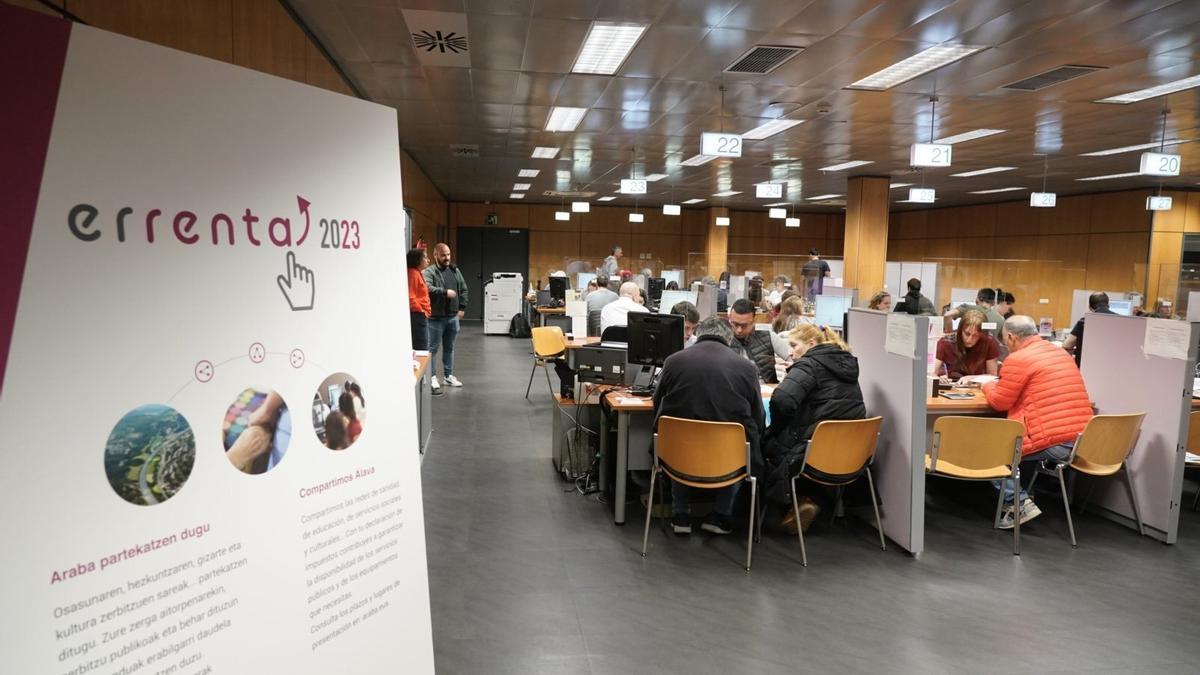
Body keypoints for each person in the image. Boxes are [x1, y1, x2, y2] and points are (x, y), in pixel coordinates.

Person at [652, 317, 765, 535]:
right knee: (743, 444)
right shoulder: (747, 368)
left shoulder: (673, 361)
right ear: (729, 337)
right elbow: (758, 416)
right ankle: (721, 515)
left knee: (681, 442)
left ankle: (681, 515)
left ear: (699, 333)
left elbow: (657, 402)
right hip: (727, 458)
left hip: (676, 454)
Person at [982, 315, 1093, 528]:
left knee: (992, 452)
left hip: (1054, 441)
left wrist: (986, 385)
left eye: (1005, 340)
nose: (1005, 344)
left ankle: (1019, 503)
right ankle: (1021, 495)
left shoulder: (1019, 358)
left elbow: (998, 401)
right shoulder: (1060, 353)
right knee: (1020, 447)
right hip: (1081, 439)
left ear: (1012, 337)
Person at [762, 324, 866, 532]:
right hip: (850, 453)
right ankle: (809, 500)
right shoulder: (847, 363)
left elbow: (782, 400)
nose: (790, 351)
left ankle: (776, 509)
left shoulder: (809, 364)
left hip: (812, 452)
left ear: (811, 344)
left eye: (793, 345)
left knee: (764, 443)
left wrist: (776, 427)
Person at [423, 242, 469, 392]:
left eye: (448, 254)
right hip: (435, 318)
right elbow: (427, 288)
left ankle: (448, 376)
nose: (447, 258)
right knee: (432, 349)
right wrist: (444, 292)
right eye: (443, 255)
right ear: (435, 255)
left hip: (452, 317)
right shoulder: (429, 272)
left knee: (449, 348)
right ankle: (431, 377)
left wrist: (462, 307)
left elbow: (463, 288)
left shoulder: (455, 271)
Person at [932, 310, 1000, 381]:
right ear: (960, 330)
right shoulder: (945, 342)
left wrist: (972, 378)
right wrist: (939, 379)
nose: (969, 339)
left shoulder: (989, 343)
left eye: (975, 336)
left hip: (977, 388)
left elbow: (992, 376)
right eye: (967, 333)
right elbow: (932, 374)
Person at [728, 298, 778, 383]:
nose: (739, 330)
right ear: (729, 318)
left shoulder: (769, 337)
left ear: (754, 320)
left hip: (764, 391)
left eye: (744, 325)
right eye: (735, 324)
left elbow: (799, 359)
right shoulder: (721, 340)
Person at [1063, 291, 1114, 367]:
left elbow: (1067, 345)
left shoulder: (1084, 321)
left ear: (1090, 307)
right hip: (1112, 368)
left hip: (1085, 368)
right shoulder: (1123, 322)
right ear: (1108, 305)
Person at [407, 248, 431, 351]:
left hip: (420, 316)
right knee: (422, 349)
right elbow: (410, 296)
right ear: (417, 260)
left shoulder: (417, 273)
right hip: (418, 316)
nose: (428, 260)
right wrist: (421, 311)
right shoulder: (413, 274)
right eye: (425, 257)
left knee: (423, 347)